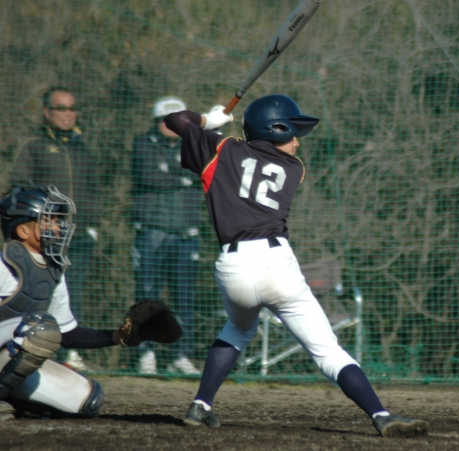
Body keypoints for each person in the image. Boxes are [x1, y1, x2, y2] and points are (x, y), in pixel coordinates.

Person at [164, 95, 430, 437]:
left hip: (232, 267)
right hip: (276, 264)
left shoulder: (221, 149)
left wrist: (205, 122)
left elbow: (174, 120)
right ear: (274, 130)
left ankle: (201, 405)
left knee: (238, 330)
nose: (297, 142)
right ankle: (381, 415)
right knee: (327, 351)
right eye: (292, 134)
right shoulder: (293, 168)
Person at [0, 186, 118, 421]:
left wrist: (119, 336)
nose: (57, 226)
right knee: (38, 329)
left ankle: (10, 396)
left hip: (13, 361)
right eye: (48, 220)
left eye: (56, 220)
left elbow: (66, 334)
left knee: (88, 400)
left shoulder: (53, 269)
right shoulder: (3, 265)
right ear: (23, 230)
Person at [11, 86, 101, 372]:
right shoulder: (34, 146)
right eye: (61, 108)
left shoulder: (84, 149)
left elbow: (95, 189)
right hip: (46, 236)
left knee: (75, 292)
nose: (68, 114)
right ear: (47, 112)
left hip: (80, 235)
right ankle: (34, 349)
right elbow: (20, 186)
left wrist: (93, 224)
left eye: (72, 108)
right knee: (40, 292)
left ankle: (71, 354)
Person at [130, 96, 202, 376]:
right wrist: (183, 178)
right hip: (152, 230)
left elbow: (201, 174)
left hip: (186, 232)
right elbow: (149, 177)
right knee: (148, 294)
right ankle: (145, 352)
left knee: (185, 295)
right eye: (167, 121)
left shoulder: (194, 146)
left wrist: (172, 174)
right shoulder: (142, 144)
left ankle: (180, 354)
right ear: (156, 121)